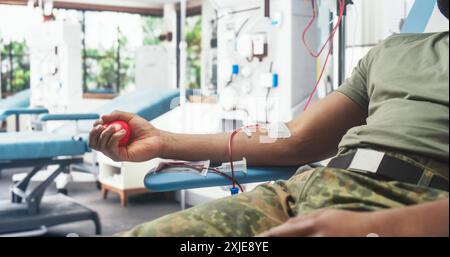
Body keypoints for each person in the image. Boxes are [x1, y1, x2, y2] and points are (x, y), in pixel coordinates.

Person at [89, 0, 449, 237]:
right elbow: (296, 138)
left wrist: (379, 228)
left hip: (412, 207)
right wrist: (163, 141)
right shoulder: (394, 51)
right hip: (302, 192)